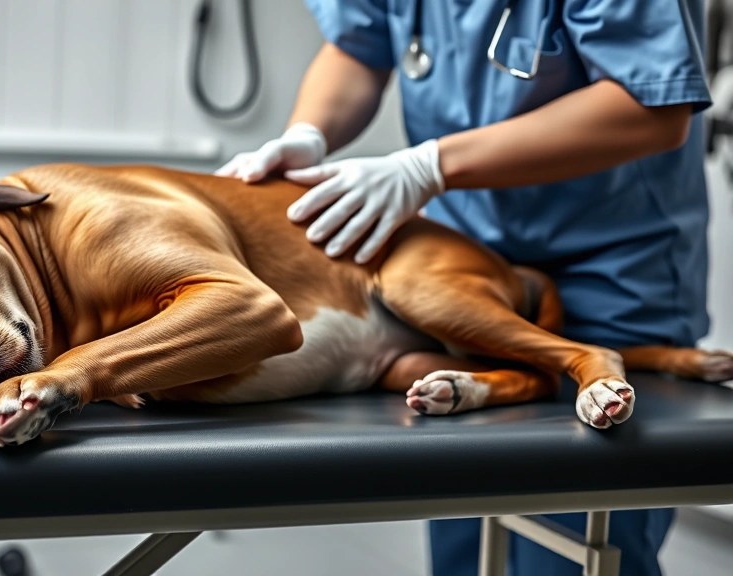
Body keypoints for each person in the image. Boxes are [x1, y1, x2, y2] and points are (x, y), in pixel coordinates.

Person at [215, 1, 712, 575]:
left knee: (569, 546)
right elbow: (359, 44)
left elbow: (652, 106)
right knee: (465, 542)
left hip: (611, 272)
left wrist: (430, 165)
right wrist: (308, 132)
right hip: (462, 277)